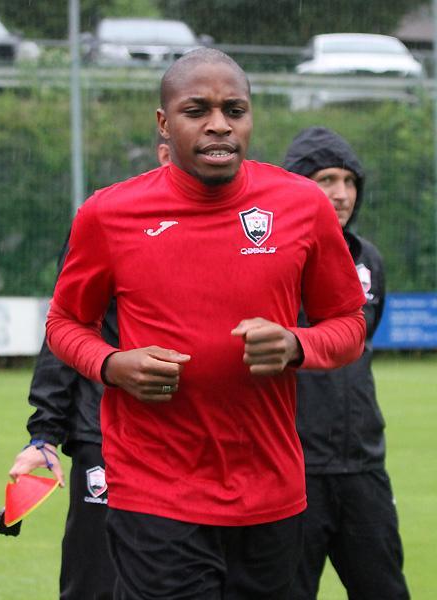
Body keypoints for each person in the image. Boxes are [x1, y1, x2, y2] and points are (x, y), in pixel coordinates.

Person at [45, 48, 368, 599]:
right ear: (163, 122)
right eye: (197, 110)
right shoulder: (108, 213)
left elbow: (348, 324)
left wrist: (296, 344)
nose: (219, 124)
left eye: (234, 110)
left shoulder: (303, 206)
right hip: (154, 493)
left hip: (271, 493)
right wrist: (111, 363)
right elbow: (65, 322)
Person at [7, 138, 171, 600]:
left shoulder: (226, 228)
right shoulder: (109, 222)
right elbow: (66, 329)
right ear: (164, 151)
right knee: (97, 580)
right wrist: (44, 433)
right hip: (105, 434)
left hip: (192, 440)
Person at [283, 127, 410, 599]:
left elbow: (359, 343)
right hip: (293, 467)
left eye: (350, 181)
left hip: (362, 464)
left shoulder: (368, 259)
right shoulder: (268, 257)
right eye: (326, 180)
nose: (342, 194)